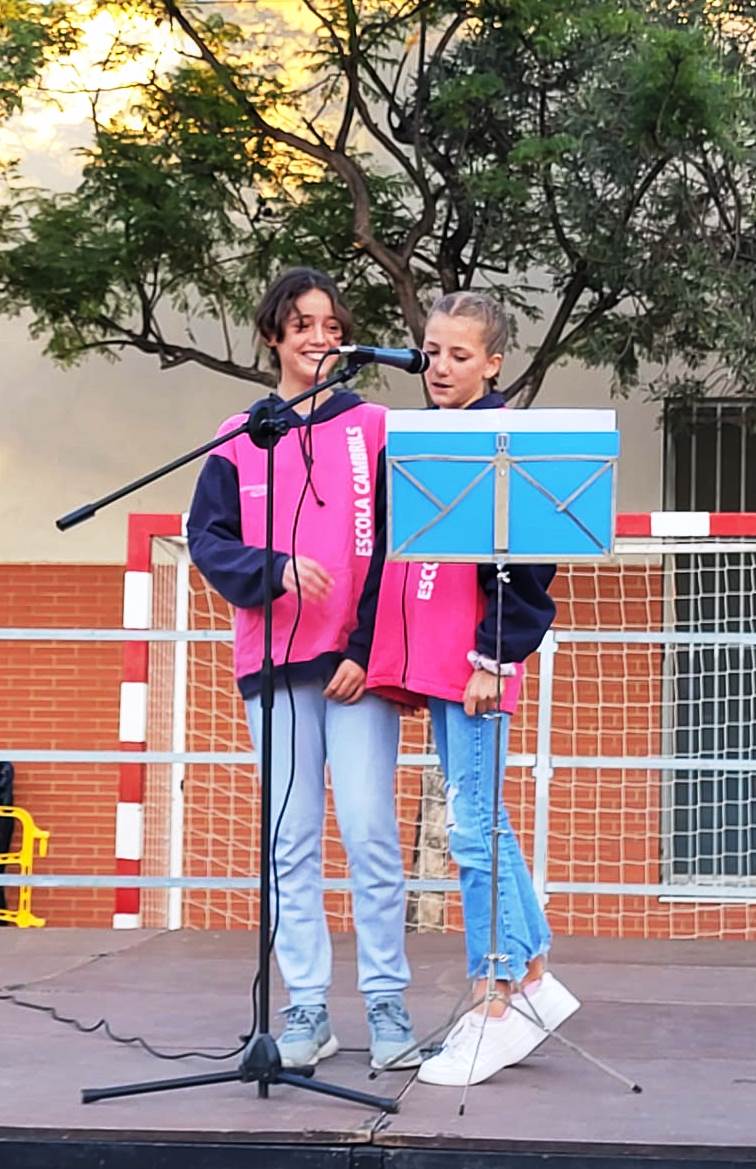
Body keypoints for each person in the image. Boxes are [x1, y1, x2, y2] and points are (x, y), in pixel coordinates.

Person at [187, 267, 417, 1071]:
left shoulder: (376, 428)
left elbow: (398, 547)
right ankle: (307, 1006)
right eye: (303, 325)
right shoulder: (240, 433)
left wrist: (365, 647)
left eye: (331, 325)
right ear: (273, 337)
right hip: (275, 664)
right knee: (290, 838)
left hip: (355, 666)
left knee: (370, 829)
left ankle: (386, 1001)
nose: (320, 337)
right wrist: (274, 569)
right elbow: (208, 540)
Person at [367, 291, 579, 1086]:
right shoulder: (424, 437)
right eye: (432, 352)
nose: (440, 367)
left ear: (494, 363)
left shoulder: (503, 442)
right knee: (480, 819)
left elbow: (528, 568)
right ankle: (534, 974)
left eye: (460, 355)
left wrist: (493, 656)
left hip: (480, 661)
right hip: (441, 658)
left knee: (473, 827)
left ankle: (496, 995)